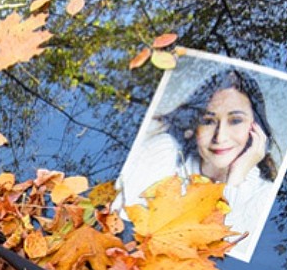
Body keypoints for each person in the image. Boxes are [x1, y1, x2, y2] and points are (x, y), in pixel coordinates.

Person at [118, 68, 278, 245]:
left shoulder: (266, 199)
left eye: (235, 121)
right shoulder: (163, 157)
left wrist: (235, 183)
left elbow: (223, 258)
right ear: (194, 125)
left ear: (256, 129)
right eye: (208, 121)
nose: (220, 136)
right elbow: (120, 229)